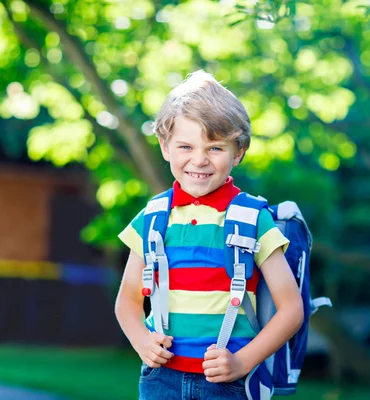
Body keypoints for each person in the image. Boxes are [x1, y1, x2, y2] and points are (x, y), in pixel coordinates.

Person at [115, 70, 304, 399]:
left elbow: (291, 309)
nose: (199, 160)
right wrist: (142, 341)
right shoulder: (152, 217)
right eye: (186, 146)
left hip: (228, 383)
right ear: (165, 147)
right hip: (161, 379)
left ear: (239, 151)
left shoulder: (252, 219)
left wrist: (243, 362)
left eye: (215, 148)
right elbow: (128, 302)